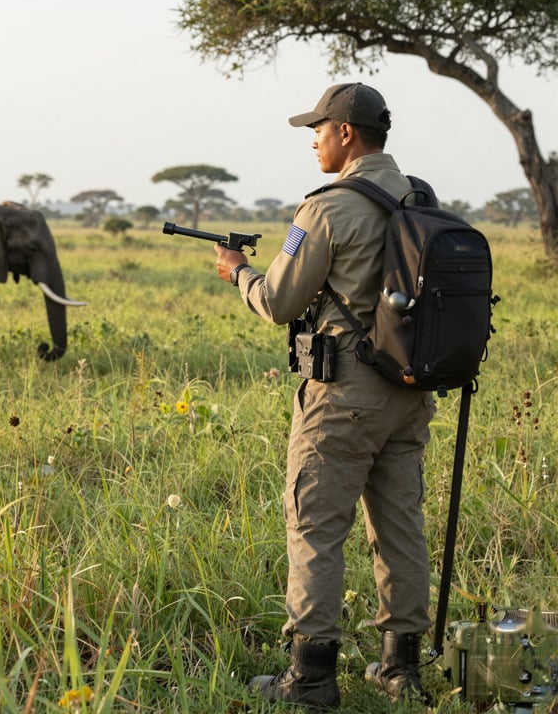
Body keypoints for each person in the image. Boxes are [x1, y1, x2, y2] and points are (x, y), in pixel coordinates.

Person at [214, 83, 436, 709]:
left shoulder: (326, 208)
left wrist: (238, 272)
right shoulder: (419, 197)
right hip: (408, 391)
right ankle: (401, 670)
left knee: (314, 528)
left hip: (342, 395)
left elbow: (279, 300)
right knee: (400, 528)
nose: (313, 141)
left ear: (345, 133)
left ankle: (310, 678)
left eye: (318, 129)